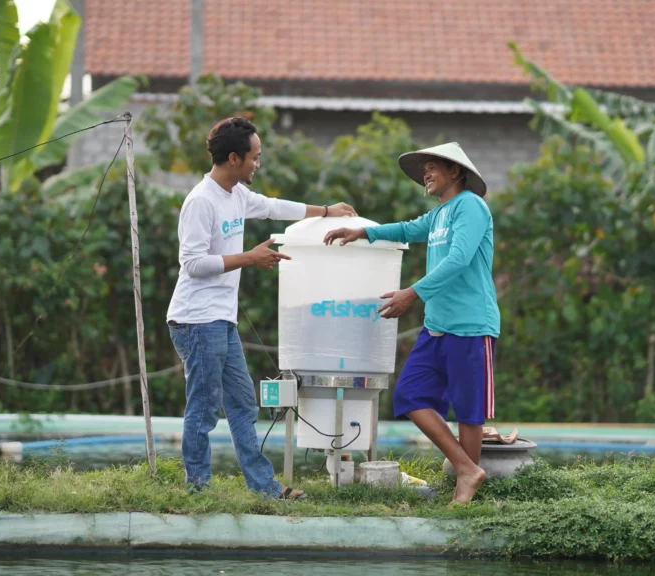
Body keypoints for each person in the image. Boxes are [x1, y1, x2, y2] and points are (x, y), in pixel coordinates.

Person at [167, 117, 357, 499]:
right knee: (204, 410)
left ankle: (265, 487)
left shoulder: (236, 194)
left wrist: (324, 211)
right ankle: (198, 491)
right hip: (195, 320)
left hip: (221, 320)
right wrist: (249, 258)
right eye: (254, 158)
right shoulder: (200, 201)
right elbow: (191, 264)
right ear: (234, 158)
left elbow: (272, 207)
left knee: (243, 405)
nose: (258, 164)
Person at [322, 142, 499, 505]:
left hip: (470, 325)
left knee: (469, 412)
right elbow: (407, 229)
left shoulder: (471, 207)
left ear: (456, 173)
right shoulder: (438, 215)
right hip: (437, 326)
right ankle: (467, 470)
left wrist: (411, 293)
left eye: (434, 167)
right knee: (408, 395)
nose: (427, 174)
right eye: (425, 169)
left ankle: (464, 489)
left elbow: (459, 259)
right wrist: (364, 232)